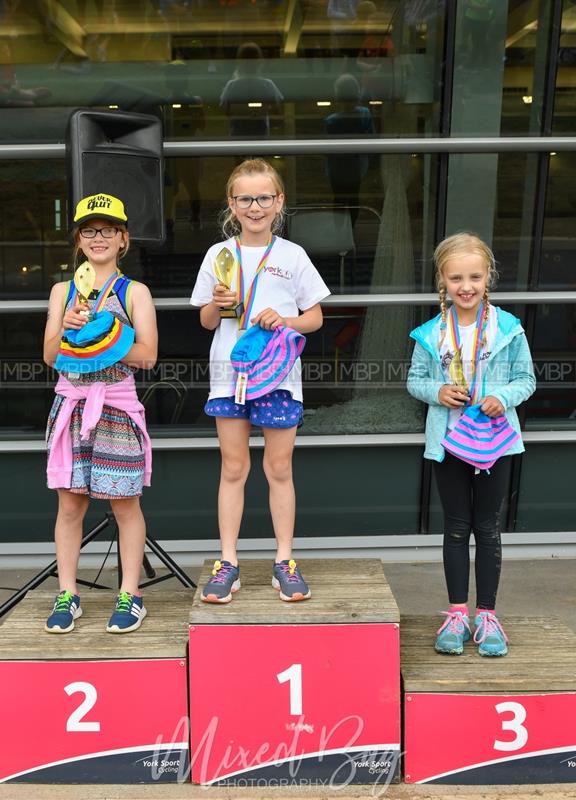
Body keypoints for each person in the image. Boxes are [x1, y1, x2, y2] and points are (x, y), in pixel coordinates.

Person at [190, 158, 330, 604]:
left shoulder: (292, 255)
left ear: (279, 201)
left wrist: (283, 318)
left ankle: (284, 560)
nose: (255, 207)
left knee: (279, 468)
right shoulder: (219, 255)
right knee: (233, 468)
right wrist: (217, 302)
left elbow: (316, 317)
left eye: (263, 198)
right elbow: (207, 322)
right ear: (232, 203)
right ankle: (227, 562)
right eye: (246, 198)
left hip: (279, 376)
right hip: (230, 376)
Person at [407, 232, 535, 657]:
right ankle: (457, 614)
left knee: (488, 528)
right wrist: (437, 392)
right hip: (449, 443)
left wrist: (504, 398)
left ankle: (488, 615)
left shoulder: (508, 329)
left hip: (495, 442)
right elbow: (415, 381)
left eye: (475, 277)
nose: (466, 286)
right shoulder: (431, 334)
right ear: (442, 280)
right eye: (456, 277)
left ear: (488, 278)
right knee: (457, 528)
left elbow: (526, 380)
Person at [43, 193, 158, 634]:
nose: (98, 238)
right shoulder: (62, 291)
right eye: (89, 230)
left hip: (115, 407)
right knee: (70, 504)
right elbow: (51, 356)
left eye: (108, 230)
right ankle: (67, 593)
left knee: (125, 504)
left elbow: (148, 356)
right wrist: (70, 329)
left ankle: (131, 593)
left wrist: (109, 335)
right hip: (71, 406)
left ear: (123, 239)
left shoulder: (135, 292)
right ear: (78, 239)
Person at [220, 42, 283, 138]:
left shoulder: (232, 85)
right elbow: (277, 109)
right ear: (259, 62)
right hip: (261, 136)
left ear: (239, 62)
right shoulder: (268, 85)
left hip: (238, 136)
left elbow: (225, 110)